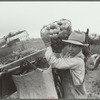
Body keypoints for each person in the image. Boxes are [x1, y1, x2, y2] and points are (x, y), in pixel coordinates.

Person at [41, 30, 89, 99]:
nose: (70, 49)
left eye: (74, 46)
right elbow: (60, 60)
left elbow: (55, 62)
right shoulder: (70, 56)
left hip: (75, 95)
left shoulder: (77, 61)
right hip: (69, 92)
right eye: (69, 45)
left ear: (81, 47)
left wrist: (48, 46)